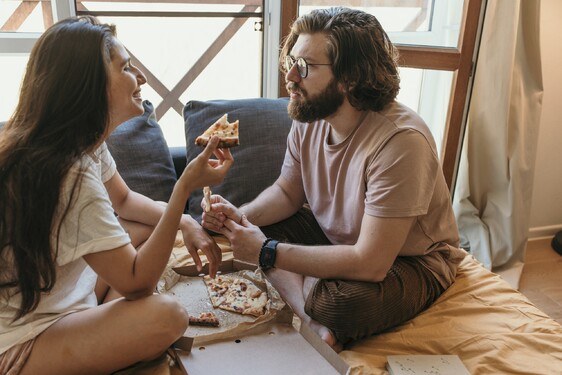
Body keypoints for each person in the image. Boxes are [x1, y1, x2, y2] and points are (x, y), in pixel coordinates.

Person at [202, 7, 466, 352]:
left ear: (350, 77)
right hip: (337, 237)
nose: (291, 76)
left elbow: (371, 263)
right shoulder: (310, 113)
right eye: (291, 62)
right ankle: (310, 315)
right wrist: (241, 217)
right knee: (261, 232)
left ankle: (315, 298)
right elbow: (287, 192)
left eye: (306, 67)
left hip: (411, 260)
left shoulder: (401, 142)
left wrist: (267, 254)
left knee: (337, 306)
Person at [0, 16, 233, 374]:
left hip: (64, 301)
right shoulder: (70, 171)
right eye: (126, 67)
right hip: (23, 342)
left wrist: (185, 220)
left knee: (136, 229)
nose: (140, 77)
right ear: (90, 84)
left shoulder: (83, 145)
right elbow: (137, 283)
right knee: (167, 316)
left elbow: (124, 202)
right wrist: (183, 188)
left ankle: (101, 324)